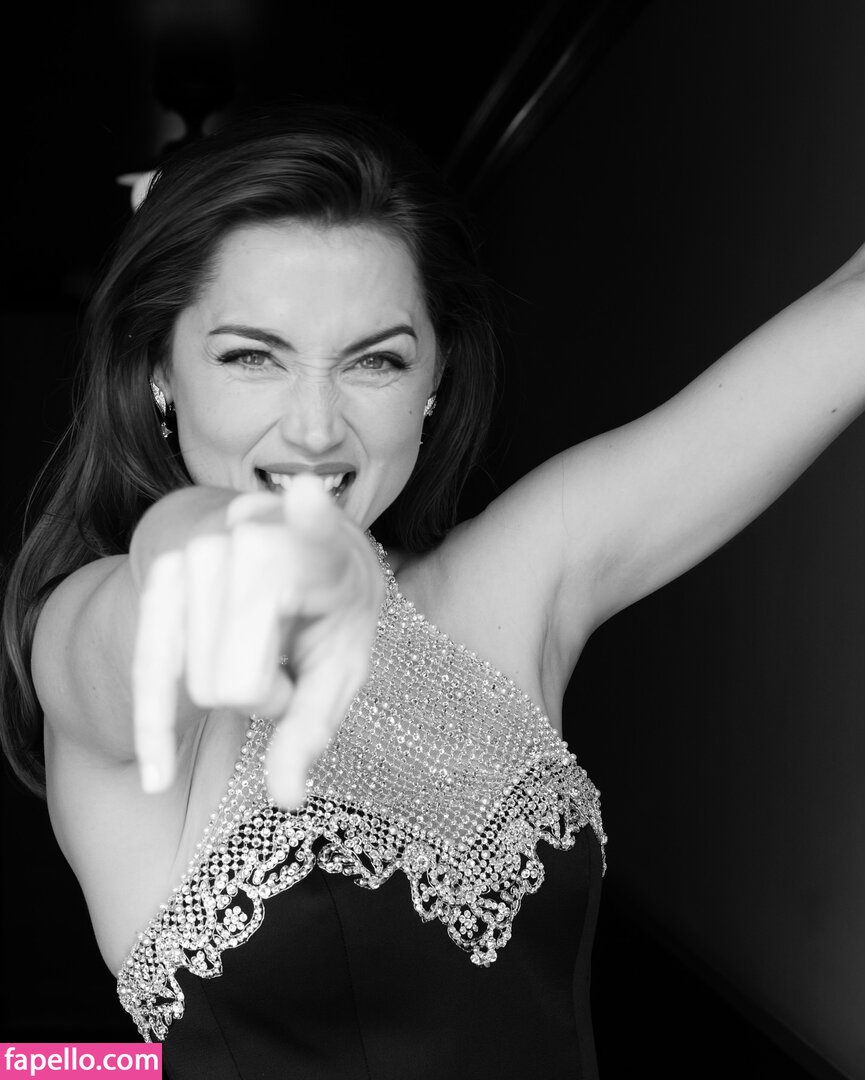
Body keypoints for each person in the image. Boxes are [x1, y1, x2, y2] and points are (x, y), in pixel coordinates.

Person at [2, 101, 865, 1079]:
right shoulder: (97, 623)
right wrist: (203, 542)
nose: (315, 427)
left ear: (434, 378)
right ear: (158, 371)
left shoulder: (513, 582)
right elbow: (129, 629)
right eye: (251, 357)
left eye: (374, 360)